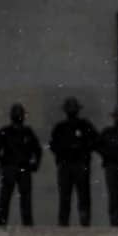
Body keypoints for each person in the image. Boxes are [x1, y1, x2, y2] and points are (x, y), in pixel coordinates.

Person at [49, 97, 98, 226]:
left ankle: (84, 223)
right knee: (66, 197)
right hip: (66, 165)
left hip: (80, 165)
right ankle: (64, 223)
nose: (71, 110)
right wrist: (66, 151)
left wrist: (82, 149)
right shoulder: (60, 127)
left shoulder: (85, 125)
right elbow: (53, 145)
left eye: (73, 108)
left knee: (83, 197)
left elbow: (95, 141)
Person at [0, 103, 41, 226]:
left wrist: (35, 163)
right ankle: (5, 225)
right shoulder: (9, 132)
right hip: (15, 168)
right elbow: (37, 150)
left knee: (15, 199)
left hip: (17, 168)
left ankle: (5, 225)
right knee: (15, 200)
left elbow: (37, 150)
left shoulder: (13, 132)